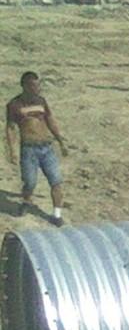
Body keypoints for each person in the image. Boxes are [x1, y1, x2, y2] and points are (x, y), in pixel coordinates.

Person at [6, 71, 68, 226]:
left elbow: (50, 120)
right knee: (30, 182)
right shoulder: (14, 105)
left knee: (56, 181)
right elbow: (11, 128)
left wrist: (60, 141)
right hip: (28, 150)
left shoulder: (41, 101)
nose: (37, 88)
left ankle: (57, 214)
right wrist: (12, 150)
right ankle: (26, 201)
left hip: (47, 148)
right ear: (25, 85)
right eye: (34, 85)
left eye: (38, 84)